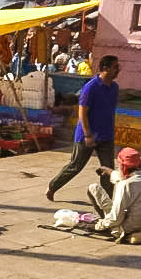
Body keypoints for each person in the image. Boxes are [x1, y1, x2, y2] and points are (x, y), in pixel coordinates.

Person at [46, 55, 120, 202]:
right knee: (76, 165)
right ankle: (53, 186)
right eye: (115, 67)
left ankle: (107, 200)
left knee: (108, 169)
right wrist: (87, 134)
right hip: (88, 134)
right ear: (105, 68)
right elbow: (82, 112)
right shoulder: (91, 87)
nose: (118, 70)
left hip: (106, 135)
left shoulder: (115, 88)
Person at [88, 148, 141, 239]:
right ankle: (106, 221)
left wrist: (99, 226)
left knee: (93, 188)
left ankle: (104, 222)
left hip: (126, 228)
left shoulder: (125, 185)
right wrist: (108, 171)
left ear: (122, 165)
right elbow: (122, 176)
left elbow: (115, 219)